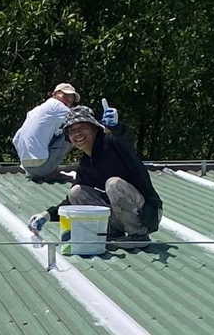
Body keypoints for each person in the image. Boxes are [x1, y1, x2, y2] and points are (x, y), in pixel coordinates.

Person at [28, 105, 162, 249]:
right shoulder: (86, 163)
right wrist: (47, 215)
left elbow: (126, 138)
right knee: (76, 192)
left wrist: (116, 126)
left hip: (147, 214)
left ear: (95, 128)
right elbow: (71, 202)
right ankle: (112, 232)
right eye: (72, 130)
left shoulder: (112, 142)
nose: (77, 133)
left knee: (113, 184)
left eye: (82, 127)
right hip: (121, 217)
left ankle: (139, 235)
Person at [12, 83, 80, 183]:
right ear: (54, 95)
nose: (67, 102)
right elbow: (81, 121)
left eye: (70, 101)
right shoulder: (57, 105)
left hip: (26, 168)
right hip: (42, 168)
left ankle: (45, 168)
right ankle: (51, 173)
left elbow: (15, 139)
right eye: (65, 96)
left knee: (60, 132)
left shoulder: (35, 111)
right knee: (73, 132)